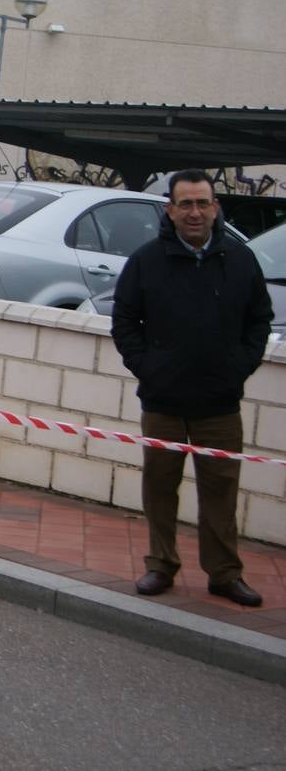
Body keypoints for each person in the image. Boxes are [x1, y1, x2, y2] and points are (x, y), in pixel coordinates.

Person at [111, 168, 273, 608]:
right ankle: (160, 565)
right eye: (186, 204)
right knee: (160, 485)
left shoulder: (239, 259)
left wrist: (238, 368)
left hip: (220, 404)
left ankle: (224, 574)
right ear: (171, 209)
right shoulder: (147, 261)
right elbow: (124, 321)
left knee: (220, 490)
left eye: (203, 203)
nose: (195, 212)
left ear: (216, 207)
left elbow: (259, 320)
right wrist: (148, 369)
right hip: (163, 400)